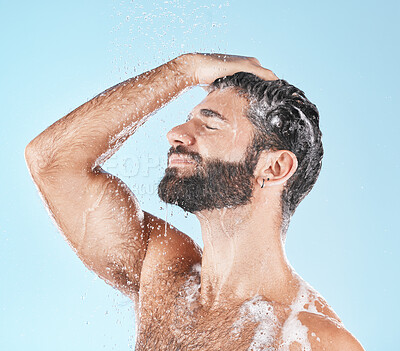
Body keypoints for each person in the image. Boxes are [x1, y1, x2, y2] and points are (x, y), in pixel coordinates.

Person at [25, 53, 364, 350]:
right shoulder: (163, 274)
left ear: (274, 167)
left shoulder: (311, 339)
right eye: (189, 119)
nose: (175, 132)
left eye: (210, 125)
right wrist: (183, 70)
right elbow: (52, 162)